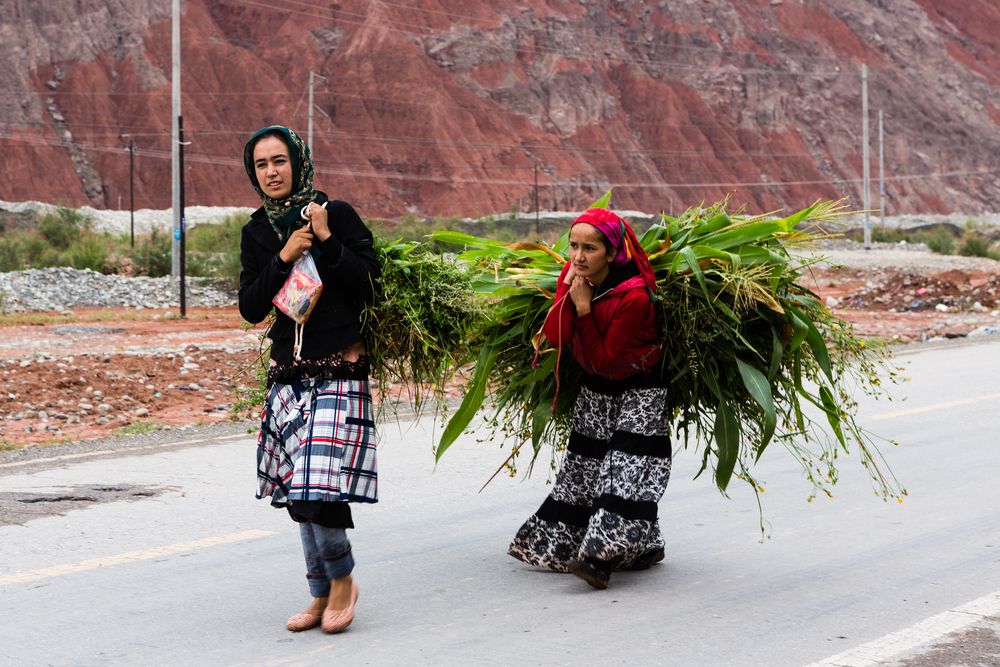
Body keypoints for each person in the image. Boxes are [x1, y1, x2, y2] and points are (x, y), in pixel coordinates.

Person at [239, 125, 380, 632]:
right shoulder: (257, 230)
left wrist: (324, 238)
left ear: (298, 163)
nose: (272, 172)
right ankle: (318, 592)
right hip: (288, 372)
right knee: (298, 489)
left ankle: (342, 580)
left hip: (340, 366)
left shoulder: (334, 213)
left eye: (279, 161)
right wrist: (281, 257)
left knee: (320, 483)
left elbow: (370, 284)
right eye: (262, 165)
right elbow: (250, 309)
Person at [507, 207, 672, 590]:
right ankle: (645, 546)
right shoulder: (578, 279)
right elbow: (554, 334)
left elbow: (603, 358)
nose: (578, 257)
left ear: (612, 253)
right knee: (585, 470)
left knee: (623, 474)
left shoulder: (634, 298)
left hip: (639, 392)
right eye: (574, 246)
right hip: (597, 391)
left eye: (590, 248)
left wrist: (583, 309)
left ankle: (598, 560)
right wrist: (566, 290)